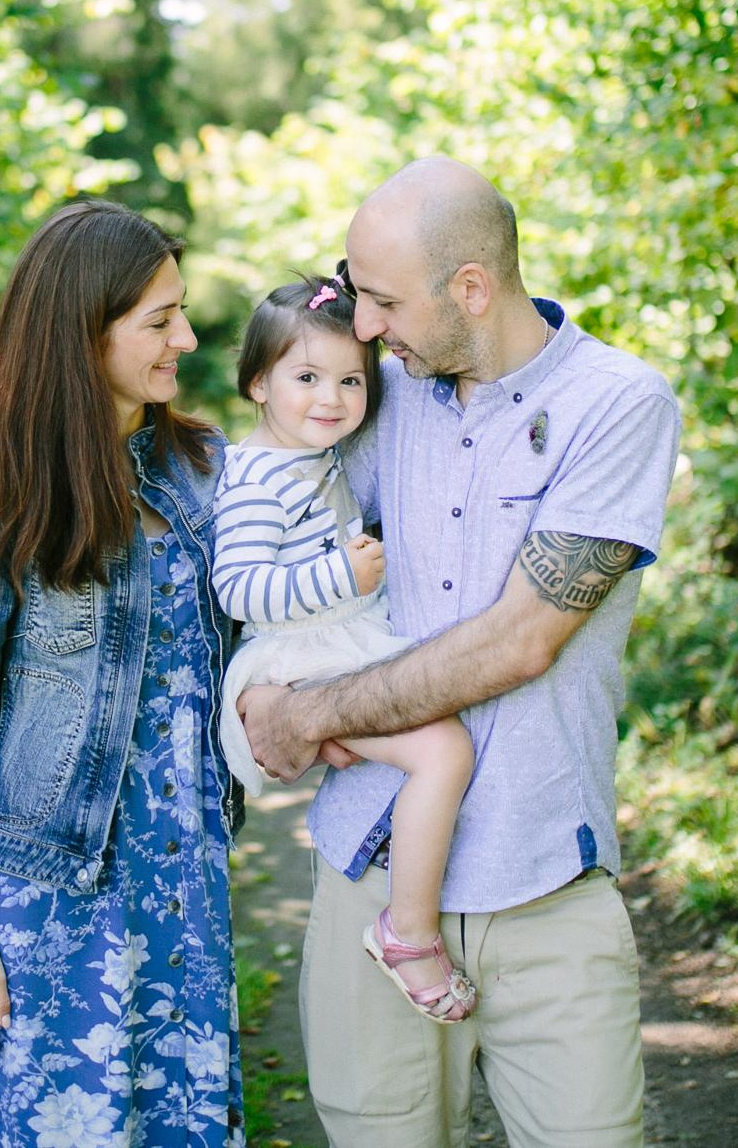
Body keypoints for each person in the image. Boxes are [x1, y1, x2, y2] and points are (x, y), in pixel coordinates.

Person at [238, 158, 681, 1148]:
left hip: (543, 877)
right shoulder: (371, 395)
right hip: (370, 863)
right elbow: (254, 494)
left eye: (384, 301)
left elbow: (524, 636)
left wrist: (312, 711)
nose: (363, 328)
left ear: (470, 289)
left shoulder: (618, 403)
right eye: (356, 299)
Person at [0, 199, 244, 1147]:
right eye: (159, 320)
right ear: (81, 333)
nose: (185, 336)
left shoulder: (208, 470)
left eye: (181, 310)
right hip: (47, 893)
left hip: (182, 875)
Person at [211, 272, 479, 1023]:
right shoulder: (260, 475)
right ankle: (408, 931)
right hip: (303, 657)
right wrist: (341, 571)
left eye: (350, 381)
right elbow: (239, 588)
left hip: (335, 643)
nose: (330, 398)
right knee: (443, 751)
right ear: (258, 384)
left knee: (436, 743)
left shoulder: (305, 455)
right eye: (305, 377)